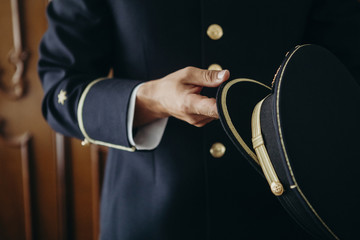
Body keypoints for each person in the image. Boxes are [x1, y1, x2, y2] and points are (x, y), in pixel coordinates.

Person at [38, 0, 360, 239]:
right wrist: (152, 100)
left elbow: (345, 76)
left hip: (288, 214)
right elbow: (60, 86)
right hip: (148, 218)